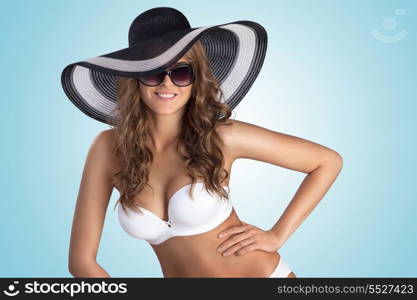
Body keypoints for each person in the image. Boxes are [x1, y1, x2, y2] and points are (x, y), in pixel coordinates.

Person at [62, 7, 343, 278]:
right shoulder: (108, 148)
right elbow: (81, 263)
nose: (167, 84)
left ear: (196, 79)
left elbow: (327, 162)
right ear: (134, 80)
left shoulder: (222, 136)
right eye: (153, 73)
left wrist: (277, 235)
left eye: (181, 72)